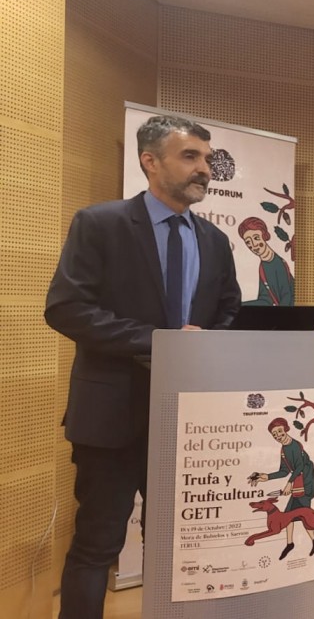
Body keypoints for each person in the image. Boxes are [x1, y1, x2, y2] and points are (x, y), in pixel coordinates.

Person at [44, 115, 241, 619]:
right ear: (149, 161)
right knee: (97, 545)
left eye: (206, 158)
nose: (204, 169)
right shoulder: (100, 223)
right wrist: (160, 342)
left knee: (179, 548)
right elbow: (66, 308)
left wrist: (212, 343)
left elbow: (228, 311)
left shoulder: (215, 241)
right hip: (111, 417)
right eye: (190, 157)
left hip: (191, 423)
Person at [249, 417, 314, 559]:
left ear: (286, 429)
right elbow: (284, 471)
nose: (278, 436)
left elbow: (300, 466)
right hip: (297, 483)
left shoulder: (294, 445)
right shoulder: (284, 449)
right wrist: (266, 477)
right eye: (274, 434)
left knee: (305, 514)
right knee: (288, 515)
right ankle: (290, 543)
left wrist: (289, 483)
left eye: (279, 431)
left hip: (305, 484)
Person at [238, 215, 295, 306]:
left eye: (256, 238)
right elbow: (265, 299)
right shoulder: (263, 266)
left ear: (264, 236)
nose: (253, 245)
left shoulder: (278, 263)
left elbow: (286, 297)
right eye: (248, 242)